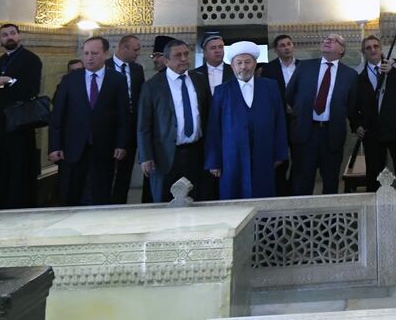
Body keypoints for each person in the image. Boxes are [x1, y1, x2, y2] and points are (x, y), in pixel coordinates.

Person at [48, 36, 130, 206]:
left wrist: (121, 144)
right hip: (73, 147)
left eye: (94, 53)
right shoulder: (70, 80)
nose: (89, 57)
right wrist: (55, 146)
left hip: (104, 147)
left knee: (100, 193)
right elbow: (58, 115)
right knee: (71, 193)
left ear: (106, 54)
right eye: (86, 53)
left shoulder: (117, 80)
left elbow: (123, 115)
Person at [206, 41, 288, 200]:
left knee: (263, 195)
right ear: (232, 66)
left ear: (255, 63)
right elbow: (214, 128)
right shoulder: (222, 91)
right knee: (233, 196)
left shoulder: (270, 87)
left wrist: (280, 153)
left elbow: (280, 121)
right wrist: (213, 161)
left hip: (264, 153)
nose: (243, 67)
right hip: (232, 156)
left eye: (247, 62)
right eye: (239, 63)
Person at [0, 24, 44, 209]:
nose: (9, 37)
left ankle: (17, 202)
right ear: (0, 40)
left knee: (17, 163)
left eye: (13, 33)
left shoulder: (31, 59)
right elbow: (3, 90)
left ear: (19, 36)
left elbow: (32, 90)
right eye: (5, 35)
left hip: (20, 120)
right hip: (0, 117)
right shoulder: (2, 60)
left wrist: (9, 80)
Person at [138, 39, 212, 202]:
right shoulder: (152, 86)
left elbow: (208, 116)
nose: (184, 58)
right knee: (165, 201)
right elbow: (144, 125)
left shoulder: (199, 80)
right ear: (166, 60)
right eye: (178, 55)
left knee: (197, 198)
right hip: (165, 155)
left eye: (186, 54)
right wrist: (145, 156)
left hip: (196, 152)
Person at [287, 34, 356, 194]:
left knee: (331, 180)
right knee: (302, 179)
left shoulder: (350, 75)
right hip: (306, 132)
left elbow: (351, 105)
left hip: (331, 134)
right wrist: (300, 111)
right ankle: (301, 218)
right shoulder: (305, 67)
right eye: (325, 39)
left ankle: (330, 218)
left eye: (333, 41)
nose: (327, 41)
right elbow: (290, 93)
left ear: (342, 50)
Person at [350, 35, 396, 190]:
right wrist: (356, 125)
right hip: (372, 132)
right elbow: (353, 105)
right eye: (368, 48)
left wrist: (393, 71)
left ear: (381, 49)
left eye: (376, 46)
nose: (373, 50)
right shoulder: (359, 77)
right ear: (363, 53)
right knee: (374, 174)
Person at [108, 34, 146, 203]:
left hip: (130, 129)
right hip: (109, 128)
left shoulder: (137, 70)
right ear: (123, 48)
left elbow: (140, 98)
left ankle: (119, 204)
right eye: (135, 49)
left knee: (125, 172)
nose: (138, 53)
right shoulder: (105, 66)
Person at [260, 33, 299, 195]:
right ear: (276, 50)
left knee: (299, 158)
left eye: (289, 44)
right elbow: (267, 95)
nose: (286, 47)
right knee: (280, 159)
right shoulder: (268, 69)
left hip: (299, 121)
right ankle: (281, 192)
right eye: (282, 45)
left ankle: (296, 191)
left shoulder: (304, 66)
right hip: (278, 121)